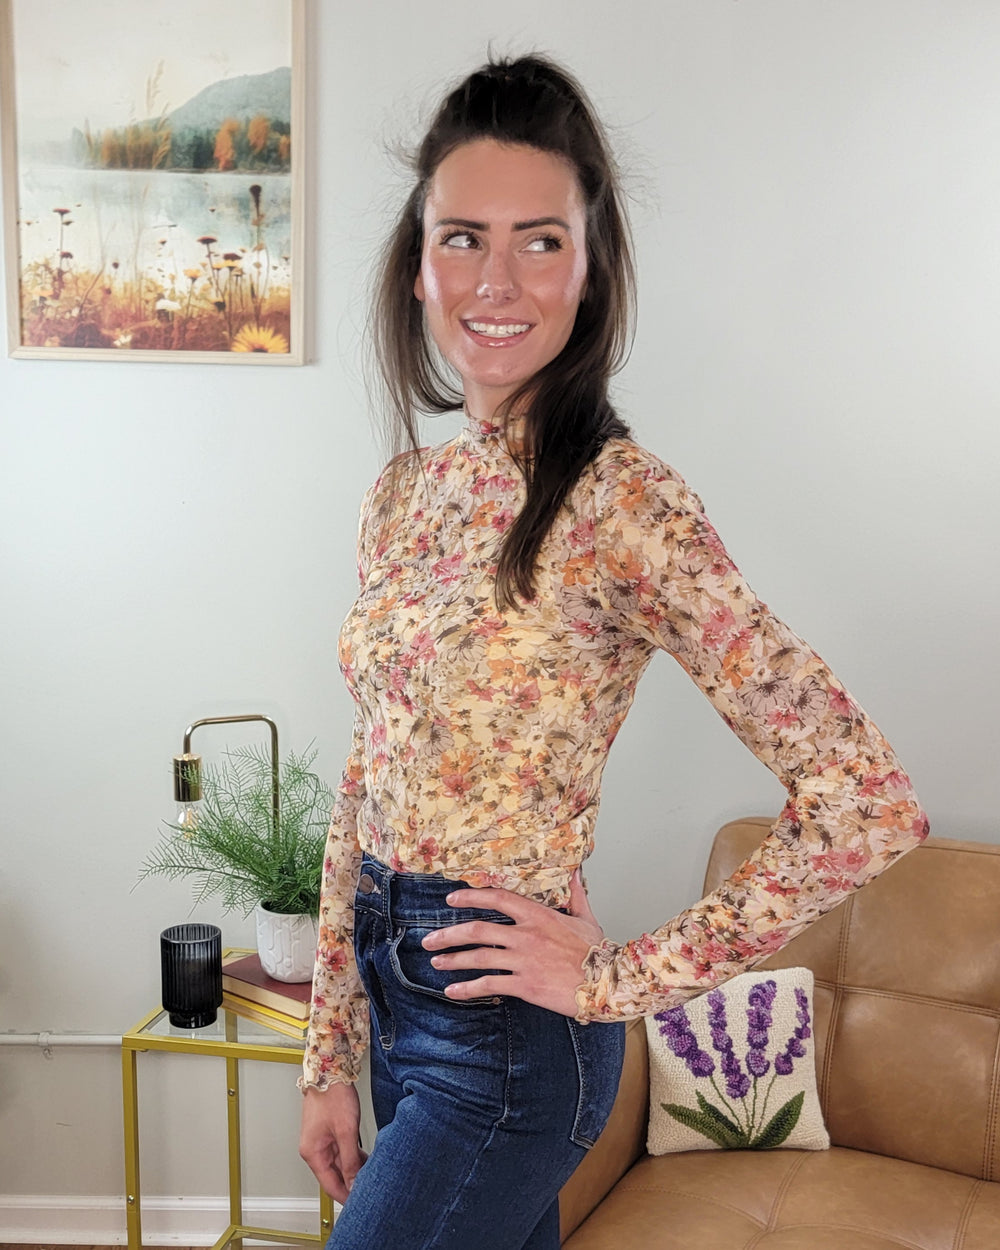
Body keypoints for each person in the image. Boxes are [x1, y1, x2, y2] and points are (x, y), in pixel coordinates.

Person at [298, 53, 928, 1250]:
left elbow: (865, 800)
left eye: (540, 240)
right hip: (395, 1003)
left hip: (506, 1043)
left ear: (590, 270)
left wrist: (617, 980)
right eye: (461, 236)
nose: (496, 279)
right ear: (416, 263)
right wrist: (326, 1049)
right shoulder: (402, 496)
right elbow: (365, 776)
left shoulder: (621, 503)